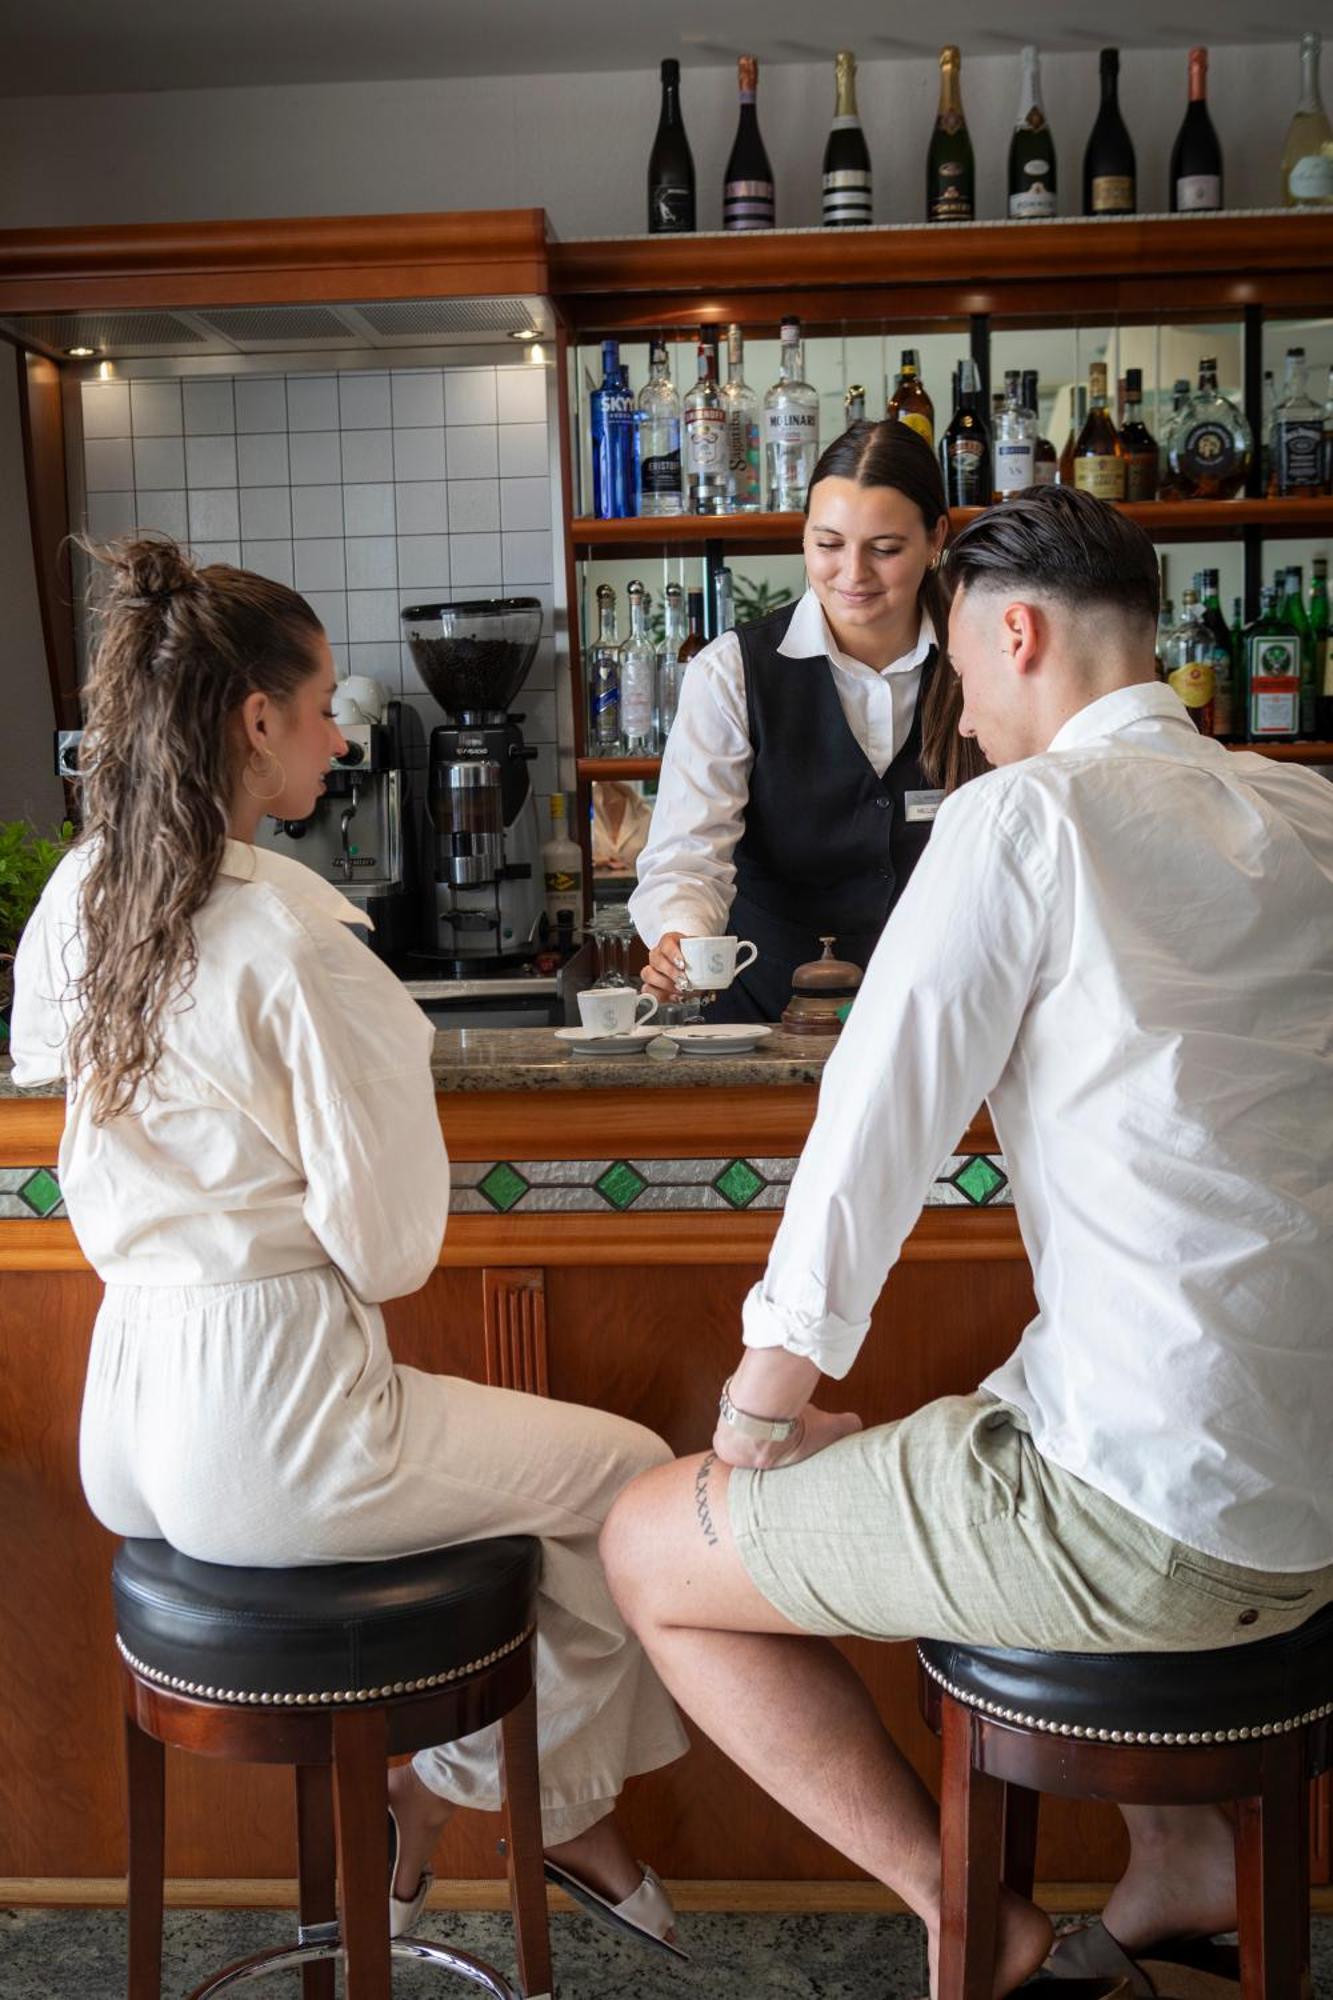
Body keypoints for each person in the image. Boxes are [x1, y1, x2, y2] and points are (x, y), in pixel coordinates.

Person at [600, 486, 1333, 1997]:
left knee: (648, 1542)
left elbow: (873, 1136)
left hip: (1154, 1518)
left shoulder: (1024, 815)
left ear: (1015, 632)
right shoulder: (1308, 812)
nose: (960, 713)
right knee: (1009, 1402)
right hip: (1315, 1504)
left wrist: (754, 1420)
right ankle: (1185, 1864)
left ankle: (970, 1921)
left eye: (958, 672)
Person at [10, 538, 689, 1958]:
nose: (337, 737)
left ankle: (445, 1793)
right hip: (276, 1434)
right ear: (253, 721)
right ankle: (533, 1800)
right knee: (623, 1475)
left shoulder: (78, 900)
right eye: (321, 708)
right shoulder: (300, 944)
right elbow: (386, 1256)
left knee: (552, 1488)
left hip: (129, 1426)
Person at [632, 419, 986, 1024]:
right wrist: (685, 936)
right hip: (762, 1020)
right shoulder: (731, 672)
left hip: (939, 1021)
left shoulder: (981, 662)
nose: (853, 573)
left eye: (885, 548)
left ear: (936, 540)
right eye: (828, 544)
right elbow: (690, 853)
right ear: (802, 540)